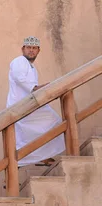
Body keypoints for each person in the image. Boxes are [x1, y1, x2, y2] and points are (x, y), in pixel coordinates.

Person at [7, 36, 65, 166]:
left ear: (38, 50)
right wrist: (36, 88)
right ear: (23, 49)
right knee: (53, 121)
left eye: (34, 48)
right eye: (29, 48)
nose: (31, 51)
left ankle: (40, 156)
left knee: (48, 125)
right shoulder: (19, 61)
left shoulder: (31, 67)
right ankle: (34, 157)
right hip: (21, 104)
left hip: (30, 103)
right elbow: (19, 77)